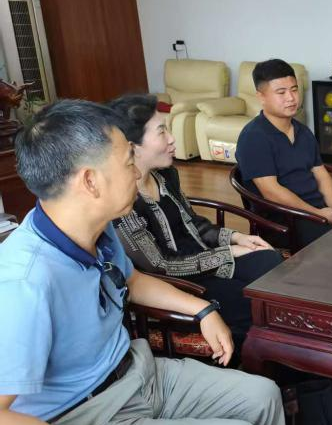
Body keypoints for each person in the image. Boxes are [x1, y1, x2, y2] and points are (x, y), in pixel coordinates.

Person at [0, 99, 327, 425]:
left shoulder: (95, 227)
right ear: (90, 181)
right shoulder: (24, 283)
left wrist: (203, 309)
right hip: (83, 417)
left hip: (136, 372)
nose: (136, 172)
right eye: (126, 162)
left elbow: (131, 279)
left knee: (262, 395)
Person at [109, 94, 282, 354]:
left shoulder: (165, 176)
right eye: (161, 131)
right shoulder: (123, 201)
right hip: (177, 284)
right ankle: (257, 360)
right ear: (133, 147)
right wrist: (228, 253)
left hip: (204, 260)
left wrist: (237, 238)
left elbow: (192, 223)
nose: (172, 139)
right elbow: (161, 265)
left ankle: (286, 347)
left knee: (270, 262)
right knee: (253, 301)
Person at [236, 59, 332, 249]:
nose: (291, 98)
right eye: (281, 92)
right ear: (261, 97)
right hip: (284, 223)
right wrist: (318, 214)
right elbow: (271, 191)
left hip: (317, 210)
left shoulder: (302, 131)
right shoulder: (253, 137)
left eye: (294, 90)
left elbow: (321, 174)